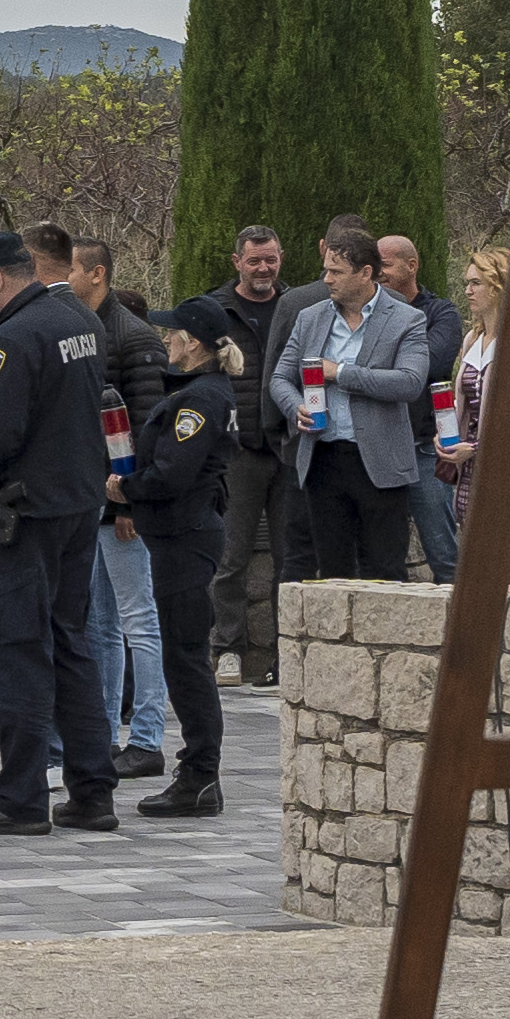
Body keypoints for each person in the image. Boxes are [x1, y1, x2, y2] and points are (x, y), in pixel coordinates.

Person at [0, 233, 119, 833]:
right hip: (76, 508)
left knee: (14, 651)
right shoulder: (76, 319)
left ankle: (21, 796)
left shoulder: (11, 338)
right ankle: (91, 789)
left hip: (22, 516)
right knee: (69, 643)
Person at [115, 244, 236, 819]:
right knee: (181, 655)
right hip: (178, 537)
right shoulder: (193, 392)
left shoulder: (201, 400)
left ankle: (201, 776)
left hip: (186, 536)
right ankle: (197, 773)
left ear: (194, 342)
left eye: (174, 334)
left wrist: (125, 489)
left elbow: (173, 473)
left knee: (187, 658)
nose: (166, 339)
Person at [61, 236, 178, 784]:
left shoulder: (132, 338)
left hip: (123, 500)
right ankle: (104, 730)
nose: (64, 280)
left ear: (98, 275)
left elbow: (148, 419)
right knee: (99, 623)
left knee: (138, 620)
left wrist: (132, 497)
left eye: (73, 271)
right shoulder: (82, 331)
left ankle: (148, 735)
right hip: (92, 496)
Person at [276, 226, 428, 585]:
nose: (326, 278)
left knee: (385, 570)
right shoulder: (311, 317)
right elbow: (280, 378)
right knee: (333, 572)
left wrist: (341, 373)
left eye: (336, 272)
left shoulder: (407, 318)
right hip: (324, 458)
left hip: (380, 463)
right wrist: (294, 405)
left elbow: (409, 382)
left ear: (365, 273)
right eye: (326, 269)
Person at [179, 223, 296, 683]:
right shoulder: (215, 309)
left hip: (288, 446)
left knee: (290, 558)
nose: (263, 268)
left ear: (281, 257)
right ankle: (227, 647)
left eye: (270, 259)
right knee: (229, 556)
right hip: (238, 449)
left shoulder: (298, 305)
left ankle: (287, 654)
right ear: (237, 262)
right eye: (254, 260)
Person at [433, 243, 510, 593]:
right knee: (478, 579)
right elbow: (463, 405)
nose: (468, 290)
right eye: (467, 282)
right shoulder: (472, 338)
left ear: (499, 285)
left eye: (476, 282)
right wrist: (445, 436)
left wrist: (475, 448)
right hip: (469, 477)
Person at [378, 237, 464, 578]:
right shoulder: (369, 312)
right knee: (383, 554)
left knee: (443, 552)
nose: (377, 273)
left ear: (411, 266)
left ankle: (461, 624)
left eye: (385, 264)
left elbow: (430, 363)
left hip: (427, 446)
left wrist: (380, 365)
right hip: (382, 447)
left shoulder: (441, 312)